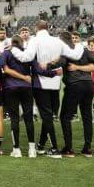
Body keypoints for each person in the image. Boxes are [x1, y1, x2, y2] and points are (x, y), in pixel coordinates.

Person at [27, 20, 67, 158]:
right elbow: (63, 60)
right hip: (55, 84)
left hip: (41, 84)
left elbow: (36, 67)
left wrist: (51, 71)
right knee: (48, 116)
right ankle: (41, 145)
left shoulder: (34, 41)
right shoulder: (57, 41)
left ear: (36, 28)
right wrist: (55, 69)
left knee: (46, 116)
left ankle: (54, 148)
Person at [0, 35, 37, 158]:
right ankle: (32, 149)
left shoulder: (6, 53)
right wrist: (26, 77)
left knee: (14, 119)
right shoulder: (27, 53)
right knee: (29, 118)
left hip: (11, 87)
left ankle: (16, 149)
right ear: (22, 43)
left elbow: (4, 69)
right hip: (26, 87)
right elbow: (36, 68)